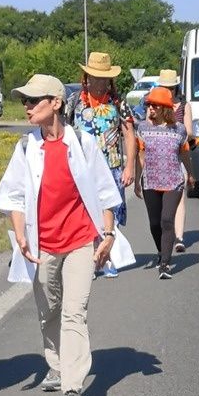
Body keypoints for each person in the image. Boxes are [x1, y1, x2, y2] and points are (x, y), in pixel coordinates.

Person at [0, 74, 122, 396]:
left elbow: (105, 191)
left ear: (56, 103)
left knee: (74, 311)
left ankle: (73, 387)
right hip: (43, 245)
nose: (27, 106)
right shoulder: (26, 148)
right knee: (49, 310)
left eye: (34, 100)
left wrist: (108, 234)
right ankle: (56, 362)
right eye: (24, 101)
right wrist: (20, 234)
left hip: (81, 240)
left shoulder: (82, 142)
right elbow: (13, 196)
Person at [70, 51, 135, 277]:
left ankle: (108, 258)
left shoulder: (118, 103)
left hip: (111, 167)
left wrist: (130, 166)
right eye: (94, 77)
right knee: (86, 213)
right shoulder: (75, 102)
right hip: (82, 168)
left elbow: (129, 134)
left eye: (103, 78)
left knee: (110, 213)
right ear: (86, 78)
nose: (98, 82)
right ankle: (91, 258)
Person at [136, 87, 191, 277]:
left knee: (167, 220)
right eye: (149, 105)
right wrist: (137, 180)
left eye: (155, 105)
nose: (151, 108)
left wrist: (191, 174)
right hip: (150, 181)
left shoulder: (179, 129)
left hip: (173, 181)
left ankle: (165, 264)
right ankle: (161, 251)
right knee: (154, 223)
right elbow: (140, 156)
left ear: (165, 108)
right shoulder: (143, 128)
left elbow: (185, 154)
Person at [157, 68, 191, 255]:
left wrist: (173, 131)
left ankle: (179, 237)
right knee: (161, 200)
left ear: (176, 88)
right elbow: (148, 128)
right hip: (158, 159)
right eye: (164, 87)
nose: (168, 91)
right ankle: (165, 233)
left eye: (171, 88)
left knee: (179, 196)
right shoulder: (155, 105)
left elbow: (189, 132)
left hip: (178, 156)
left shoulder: (183, 106)